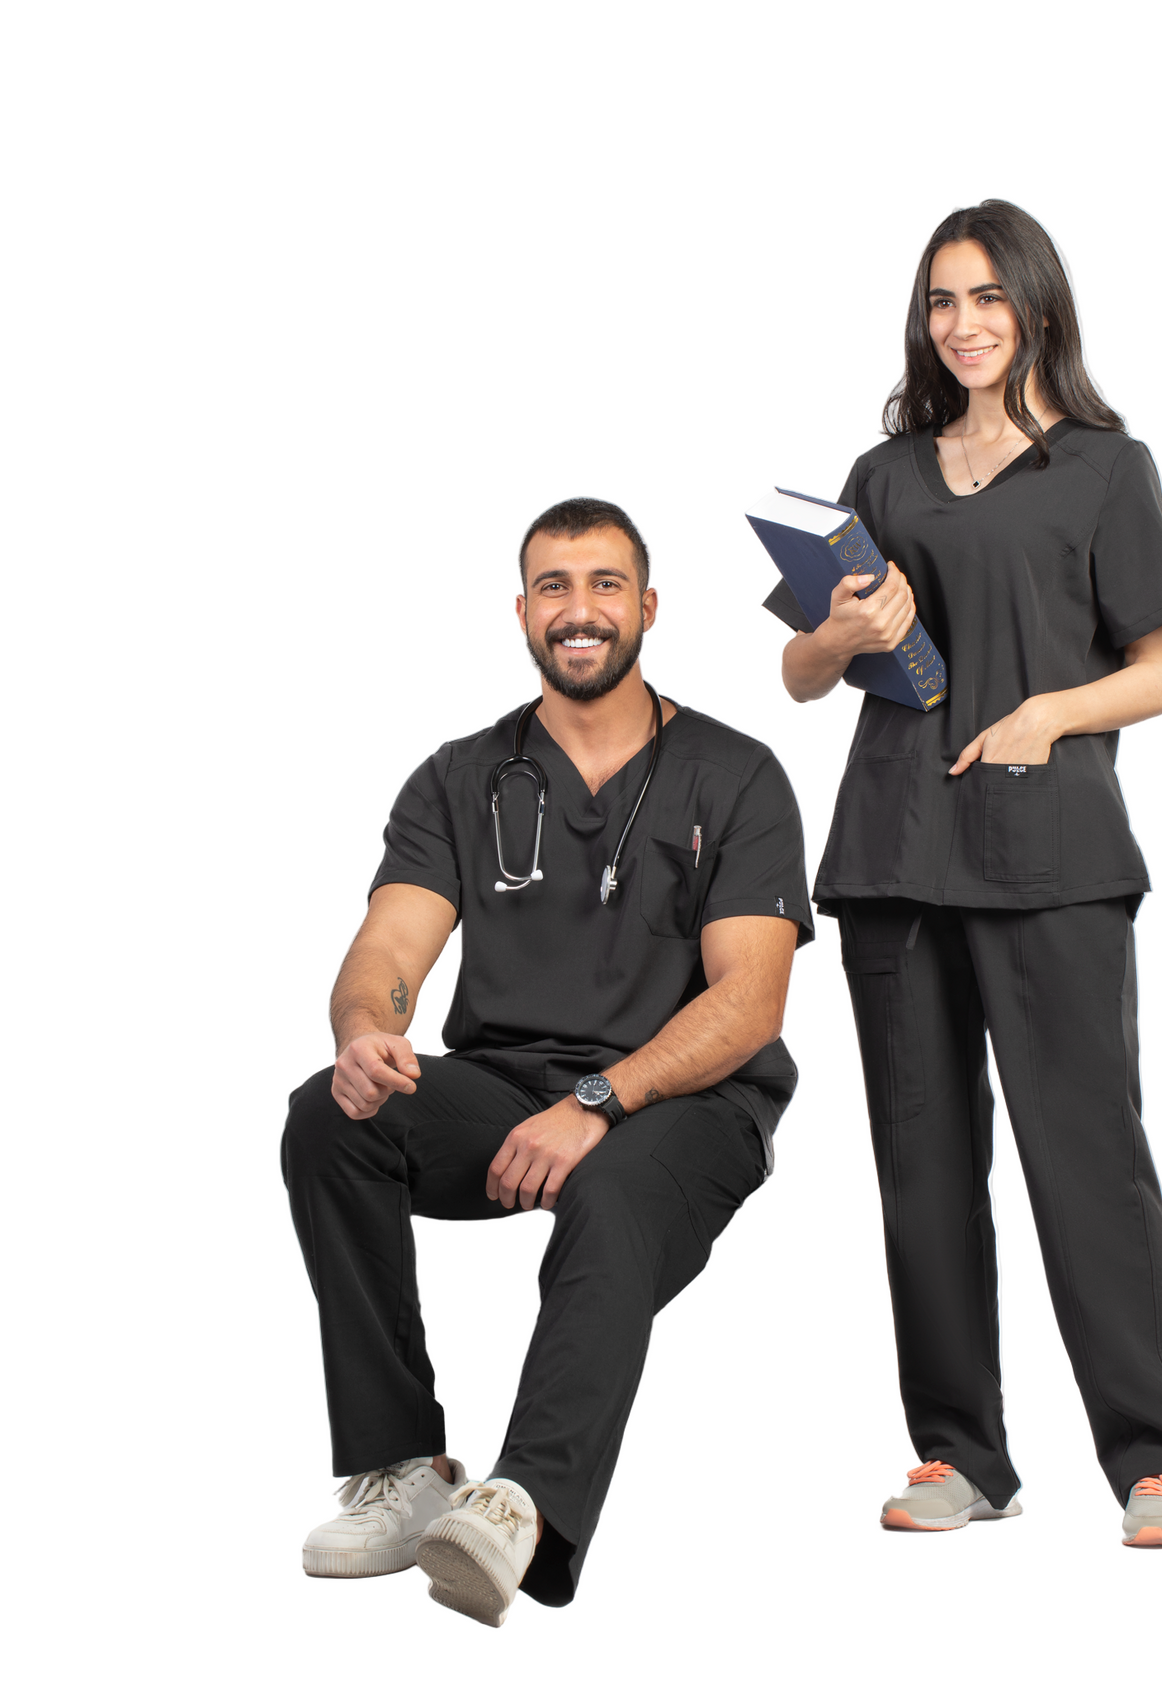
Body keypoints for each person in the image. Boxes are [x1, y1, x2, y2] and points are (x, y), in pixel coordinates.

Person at [764, 200, 1162, 1548]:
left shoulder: (1103, 469)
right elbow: (795, 675)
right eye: (941, 301)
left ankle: (1154, 1461)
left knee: (1088, 1157)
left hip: (1053, 856)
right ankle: (960, 1452)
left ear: (1038, 307)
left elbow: (1160, 670)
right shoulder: (883, 473)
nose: (961, 324)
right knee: (923, 1164)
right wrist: (842, 631)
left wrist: (1050, 715)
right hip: (896, 857)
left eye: (985, 298)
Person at [284, 496, 811, 1625]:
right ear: (523, 610)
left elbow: (750, 999)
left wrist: (598, 1099)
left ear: (648, 608)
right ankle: (403, 1469)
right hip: (510, 1084)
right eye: (555, 587)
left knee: (615, 1188)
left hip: (690, 1098)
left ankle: (522, 1502)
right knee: (330, 1117)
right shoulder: (458, 776)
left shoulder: (736, 774)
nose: (580, 611)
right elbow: (387, 945)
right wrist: (364, 1030)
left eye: (605, 585)